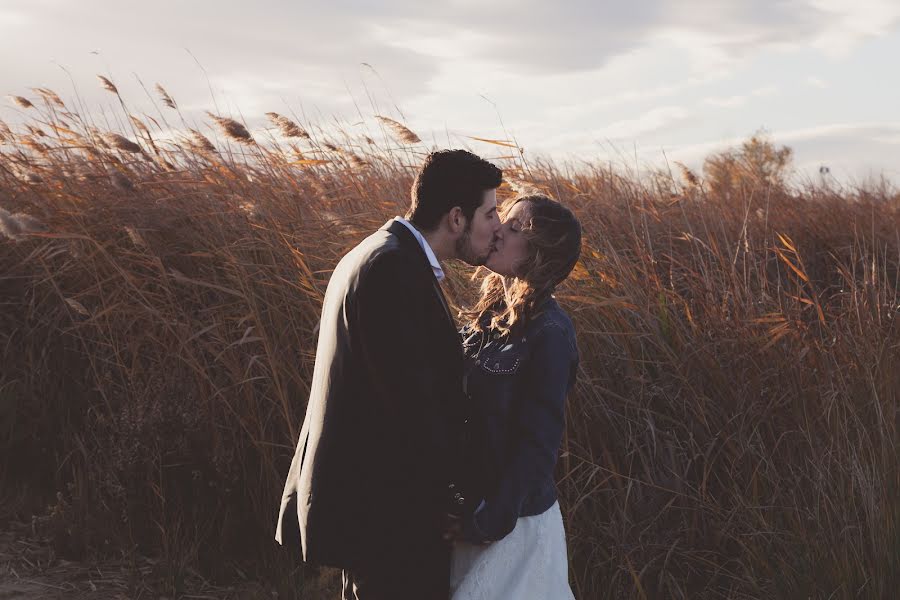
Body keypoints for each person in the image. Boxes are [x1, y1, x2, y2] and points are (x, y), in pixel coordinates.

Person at [274, 149, 503, 600]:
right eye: (490, 212)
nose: (498, 225)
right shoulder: (394, 269)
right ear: (457, 218)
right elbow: (412, 407)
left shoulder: (381, 253)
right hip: (390, 514)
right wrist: (459, 498)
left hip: (378, 508)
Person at [449, 194, 582, 599]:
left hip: (513, 528)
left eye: (514, 227)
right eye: (501, 220)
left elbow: (538, 446)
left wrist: (491, 520)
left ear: (539, 254)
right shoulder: (489, 318)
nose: (497, 230)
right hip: (470, 513)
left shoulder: (551, 334)